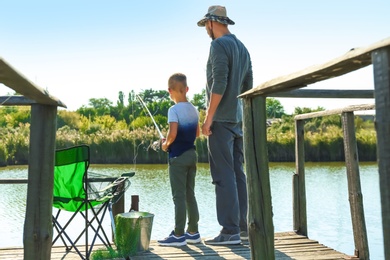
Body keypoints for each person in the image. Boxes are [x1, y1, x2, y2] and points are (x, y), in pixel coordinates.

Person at [197, 5, 253, 245]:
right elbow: (248, 85)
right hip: (238, 120)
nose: (205, 31)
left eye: (205, 27)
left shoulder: (218, 45)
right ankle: (243, 229)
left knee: (223, 176)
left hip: (221, 120)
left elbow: (219, 82)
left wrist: (208, 118)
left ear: (211, 23)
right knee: (237, 174)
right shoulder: (242, 47)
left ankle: (229, 231)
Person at [157, 73, 202, 247]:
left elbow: (172, 134)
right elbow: (197, 134)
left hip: (178, 157)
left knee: (179, 197)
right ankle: (193, 232)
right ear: (187, 89)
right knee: (190, 194)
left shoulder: (173, 110)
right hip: (192, 155)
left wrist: (165, 144)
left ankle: (178, 235)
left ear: (169, 91)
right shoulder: (193, 109)